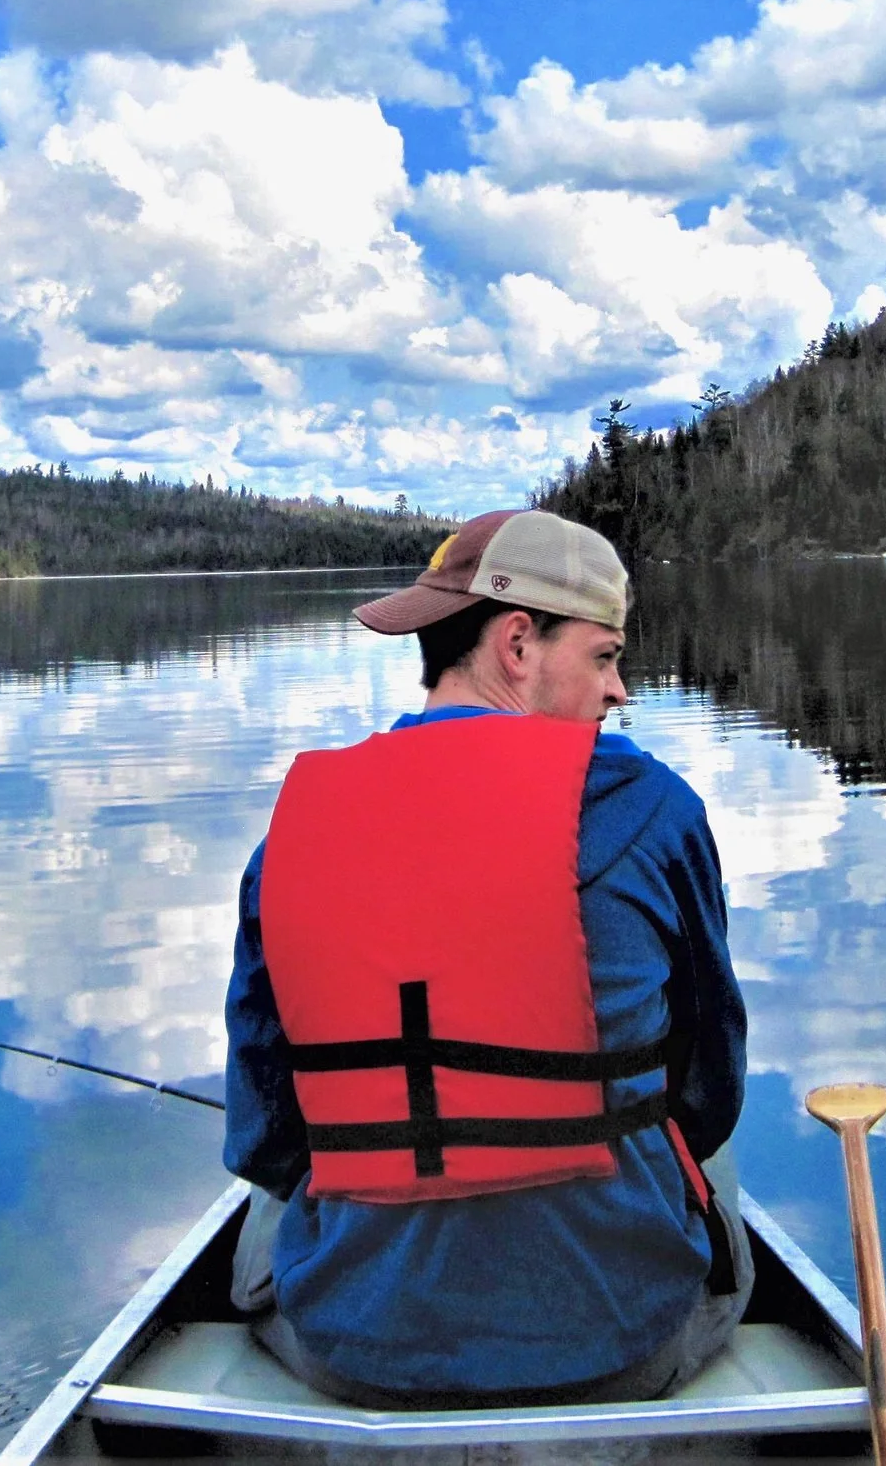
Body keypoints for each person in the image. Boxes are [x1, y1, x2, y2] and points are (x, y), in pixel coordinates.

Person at [223, 506, 750, 1408]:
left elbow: (265, 1136)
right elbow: (709, 1097)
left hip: (357, 1355)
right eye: (604, 655)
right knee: (707, 1153)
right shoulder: (656, 810)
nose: (619, 689)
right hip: (620, 1341)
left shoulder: (293, 835)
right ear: (517, 643)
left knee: (279, 1195)